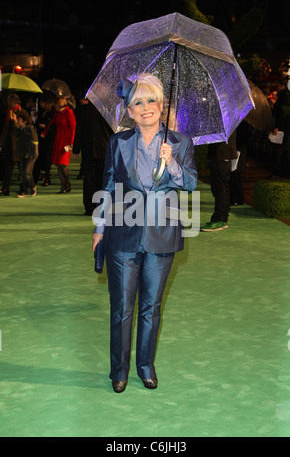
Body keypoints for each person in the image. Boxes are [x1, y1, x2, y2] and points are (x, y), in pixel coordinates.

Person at [92, 73, 198, 393]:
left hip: (162, 235)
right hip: (121, 236)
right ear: (130, 110)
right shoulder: (118, 142)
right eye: (137, 101)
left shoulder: (179, 143)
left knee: (151, 307)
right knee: (122, 307)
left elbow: (191, 184)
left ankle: (145, 366)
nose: (146, 106)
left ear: (162, 105)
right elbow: (108, 188)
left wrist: (173, 164)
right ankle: (120, 369)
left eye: (151, 99)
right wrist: (99, 228)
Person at [73, 94, 113, 215]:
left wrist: (76, 148)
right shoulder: (108, 111)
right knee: (103, 179)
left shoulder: (84, 111)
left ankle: (89, 207)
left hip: (88, 148)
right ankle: (102, 206)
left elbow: (79, 130)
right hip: (104, 148)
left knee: (89, 179)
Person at [201, 131, 237, 231]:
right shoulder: (228, 118)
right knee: (222, 188)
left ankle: (218, 219)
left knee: (220, 189)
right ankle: (222, 218)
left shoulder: (224, 119)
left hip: (221, 156)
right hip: (221, 156)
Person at [41, 96, 76, 193]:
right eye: (58, 108)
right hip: (58, 139)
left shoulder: (69, 113)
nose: (59, 110)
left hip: (66, 141)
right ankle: (63, 186)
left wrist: (71, 143)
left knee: (62, 164)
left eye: (60, 108)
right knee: (58, 164)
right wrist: (45, 131)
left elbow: (73, 129)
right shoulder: (57, 113)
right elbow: (51, 123)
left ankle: (67, 184)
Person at [0, 93, 21, 196]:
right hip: (9, 145)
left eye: (9, 101)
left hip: (18, 145)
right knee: (8, 167)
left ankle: (25, 187)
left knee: (22, 168)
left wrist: (16, 122)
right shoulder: (8, 112)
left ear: (14, 102)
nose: (8, 103)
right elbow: (5, 130)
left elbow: (27, 128)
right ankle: (5, 188)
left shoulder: (21, 112)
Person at [15, 109, 38, 198]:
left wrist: (35, 155)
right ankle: (24, 190)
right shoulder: (20, 129)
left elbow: (35, 143)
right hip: (22, 153)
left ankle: (32, 186)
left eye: (19, 120)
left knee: (27, 172)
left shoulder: (31, 130)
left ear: (24, 121)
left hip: (30, 155)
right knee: (22, 173)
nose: (18, 121)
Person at [33, 94, 56, 186]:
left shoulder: (53, 112)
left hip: (49, 138)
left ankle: (47, 178)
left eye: (42, 102)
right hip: (41, 137)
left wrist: (46, 127)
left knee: (47, 159)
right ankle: (36, 178)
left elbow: (53, 125)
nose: (41, 104)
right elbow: (37, 123)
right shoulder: (42, 111)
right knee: (39, 158)